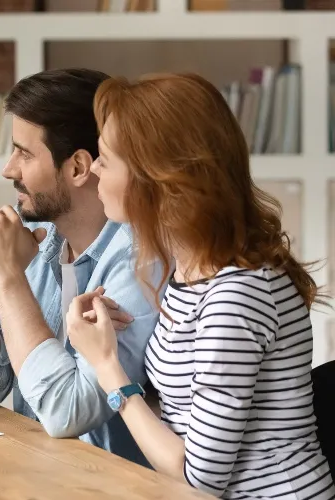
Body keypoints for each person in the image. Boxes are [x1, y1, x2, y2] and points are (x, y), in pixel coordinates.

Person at [67, 71, 335, 499]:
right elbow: (183, 417)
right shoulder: (192, 272)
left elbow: (199, 478)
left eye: (105, 158)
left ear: (159, 179)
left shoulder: (238, 294)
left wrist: (106, 368)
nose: (94, 170)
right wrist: (113, 351)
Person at [0, 68, 162, 466]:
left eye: (24, 153)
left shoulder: (140, 259)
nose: (8, 169)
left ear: (79, 167)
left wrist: (8, 279)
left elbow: (69, 412)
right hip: (40, 475)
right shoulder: (38, 237)